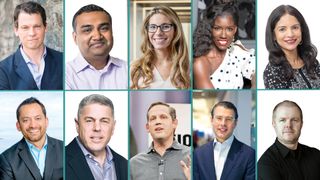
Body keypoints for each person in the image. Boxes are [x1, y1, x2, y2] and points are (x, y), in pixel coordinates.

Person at [0, 1, 63, 90]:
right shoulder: (3, 70)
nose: (32, 33)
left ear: (45, 27)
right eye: (25, 27)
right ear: (16, 30)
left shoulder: (63, 60)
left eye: (37, 26)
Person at [193, 3, 255, 89]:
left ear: (235, 29)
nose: (223, 35)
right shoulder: (200, 63)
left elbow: (256, 72)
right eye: (217, 28)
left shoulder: (237, 51)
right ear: (209, 29)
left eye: (229, 29)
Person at [66, 94, 127, 180]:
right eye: (89, 121)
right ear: (77, 125)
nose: (97, 128)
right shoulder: (60, 160)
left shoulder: (125, 164)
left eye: (104, 121)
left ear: (113, 127)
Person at [66, 4, 127, 90]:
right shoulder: (65, 74)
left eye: (104, 28)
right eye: (87, 30)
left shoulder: (129, 70)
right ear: (75, 38)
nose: (97, 36)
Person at [0, 97, 63, 179]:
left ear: (46, 121)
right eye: (26, 120)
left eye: (38, 118)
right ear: (18, 126)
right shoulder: (7, 159)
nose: (33, 125)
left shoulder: (64, 149)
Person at [130, 6, 190, 89]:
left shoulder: (188, 68)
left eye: (165, 27)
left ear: (175, 30)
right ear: (147, 31)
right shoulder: (134, 69)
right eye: (153, 27)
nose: (158, 32)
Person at [258, 100, 320, 180]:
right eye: (282, 120)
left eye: (294, 120)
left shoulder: (316, 155)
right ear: (274, 124)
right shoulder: (265, 165)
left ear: (301, 124)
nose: (288, 125)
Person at [193, 101, 255, 180]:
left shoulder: (249, 154)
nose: (223, 123)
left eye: (228, 119)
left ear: (235, 123)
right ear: (212, 120)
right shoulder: (198, 154)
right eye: (219, 118)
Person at [263, 5, 320, 89]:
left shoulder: (312, 62)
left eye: (295, 27)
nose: (290, 34)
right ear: (273, 35)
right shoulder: (272, 72)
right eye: (282, 29)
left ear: (301, 30)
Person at [130, 102, 190, 180]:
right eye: (153, 118)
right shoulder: (133, 164)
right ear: (147, 127)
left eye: (163, 117)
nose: (158, 122)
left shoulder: (191, 157)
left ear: (174, 123)